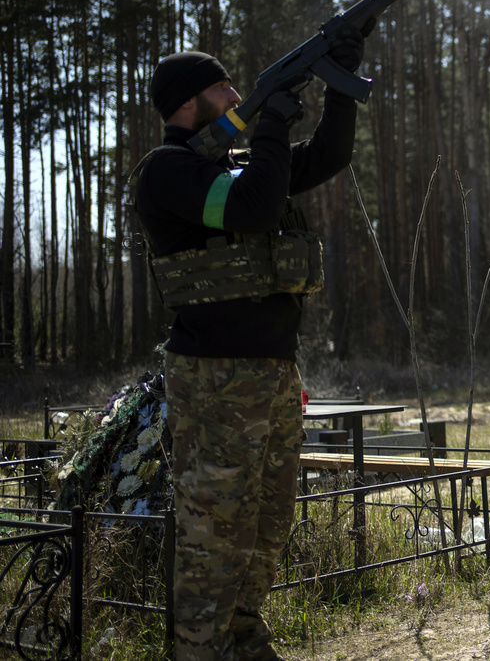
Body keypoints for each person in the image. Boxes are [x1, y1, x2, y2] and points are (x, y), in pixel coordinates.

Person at [130, 32, 364, 661]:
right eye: (223, 87)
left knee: (268, 519)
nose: (237, 97)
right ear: (188, 102)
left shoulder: (235, 164)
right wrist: (273, 124)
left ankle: (243, 639)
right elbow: (253, 208)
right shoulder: (168, 171)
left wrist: (341, 84)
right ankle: (198, 651)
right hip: (215, 375)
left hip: (273, 371)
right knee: (214, 528)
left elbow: (328, 156)